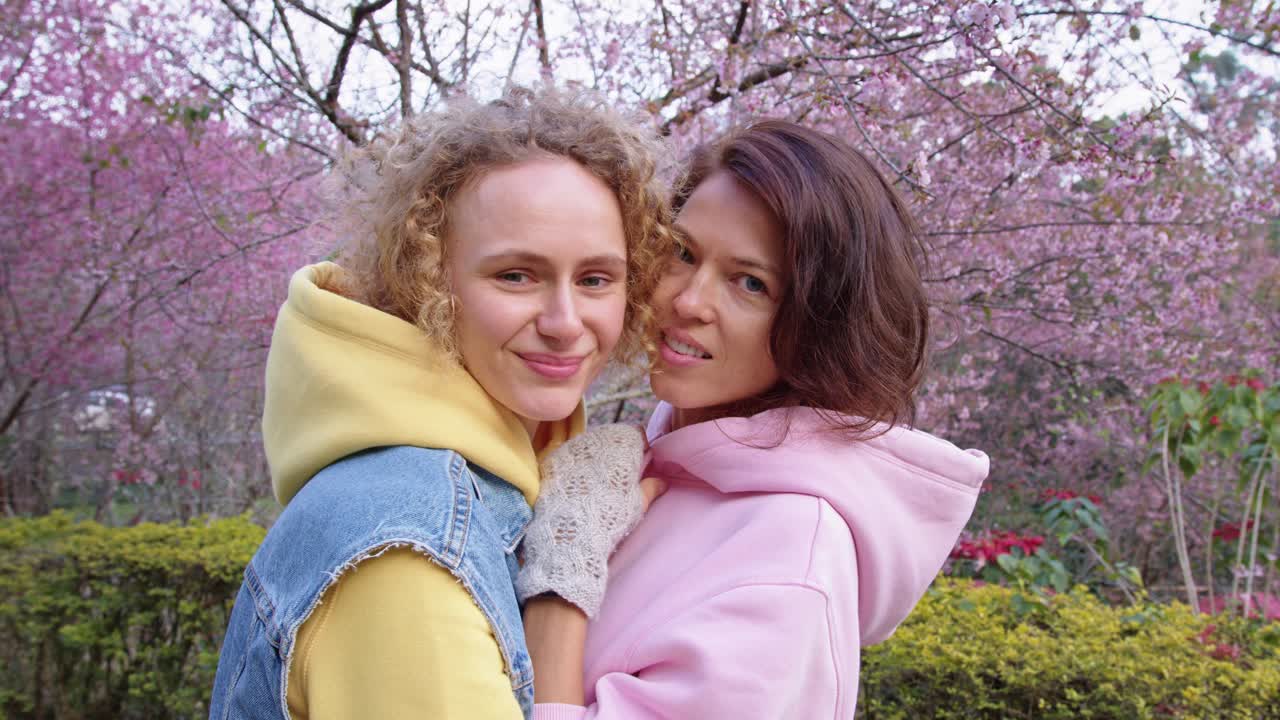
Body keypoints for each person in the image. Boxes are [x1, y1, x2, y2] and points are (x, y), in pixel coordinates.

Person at [208, 88, 670, 720]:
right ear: (426, 282)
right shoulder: (412, 556)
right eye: (516, 275)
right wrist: (562, 600)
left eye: (595, 279)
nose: (566, 322)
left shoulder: (477, 479)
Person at [516, 120, 991, 719]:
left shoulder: (789, 562)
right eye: (682, 253)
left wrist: (559, 592)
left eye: (749, 283)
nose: (688, 301)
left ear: (823, 325)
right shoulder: (658, 456)